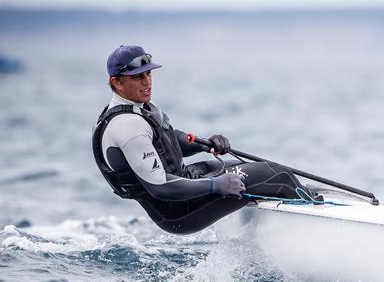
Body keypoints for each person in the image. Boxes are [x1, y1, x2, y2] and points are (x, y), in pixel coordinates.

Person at [92, 44, 310, 234]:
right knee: (276, 174)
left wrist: (205, 144)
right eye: (137, 77)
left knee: (251, 168)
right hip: (177, 209)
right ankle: (311, 210)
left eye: (148, 74)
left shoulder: (135, 109)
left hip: (184, 185)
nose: (147, 81)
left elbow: (167, 141)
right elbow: (161, 187)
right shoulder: (127, 126)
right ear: (117, 83)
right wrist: (215, 185)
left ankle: (290, 200)